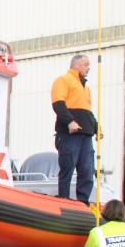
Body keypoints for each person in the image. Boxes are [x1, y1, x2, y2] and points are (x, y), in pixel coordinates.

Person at [51, 54, 98, 204]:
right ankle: (63, 198)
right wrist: (69, 122)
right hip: (70, 134)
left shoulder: (85, 87)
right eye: (86, 64)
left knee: (87, 169)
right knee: (68, 166)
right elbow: (58, 104)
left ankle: (83, 201)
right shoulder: (63, 80)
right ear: (76, 65)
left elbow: (87, 111)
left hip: (86, 134)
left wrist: (96, 127)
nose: (88, 67)